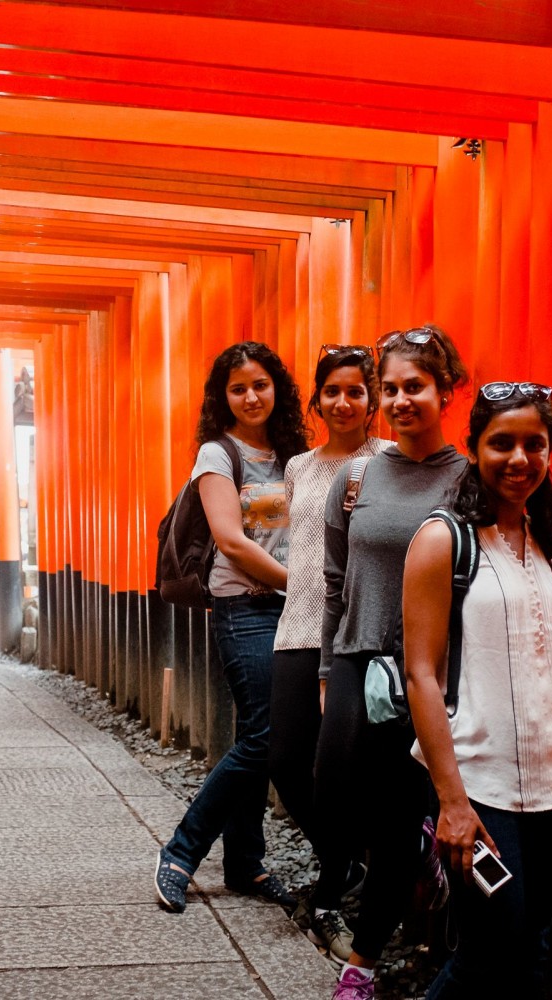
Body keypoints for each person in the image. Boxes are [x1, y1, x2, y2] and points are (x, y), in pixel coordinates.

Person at [401, 382, 552, 999]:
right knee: (489, 949)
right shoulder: (444, 541)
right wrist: (451, 802)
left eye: (535, 445)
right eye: (502, 443)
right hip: (480, 790)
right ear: (475, 449)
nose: (519, 459)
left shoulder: (548, 542)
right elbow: (421, 673)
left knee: (533, 948)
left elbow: (536, 644)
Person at [319, 325, 469, 999]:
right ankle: (421, 850)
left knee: (389, 818)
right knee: (335, 791)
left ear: (445, 392)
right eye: (393, 389)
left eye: (416, 387)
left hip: (429, 672)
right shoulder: (356, 477)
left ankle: (365, 961)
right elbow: (331, 578)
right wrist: (326, 668)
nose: (402, 400)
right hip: (359, 656)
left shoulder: (468, 480)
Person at [153, 341, 310, 914]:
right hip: (245, 605)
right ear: (224, 397)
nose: (250, 396)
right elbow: (231, 540)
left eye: (260, 384)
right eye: (238, 388)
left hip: (292, 606)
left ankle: (245, 863)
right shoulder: (218, 455)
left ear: (278, 389)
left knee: (256, 733)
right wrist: (300, 583)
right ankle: (181, 851)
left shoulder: (298, 453)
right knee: (266, 736)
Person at [267, 344, 383, 962]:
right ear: (317, 400)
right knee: (286, 761)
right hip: (297, 623)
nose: (344, 402)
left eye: (356, 391)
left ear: (372, 401)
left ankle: (340, 880)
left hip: (354, 631)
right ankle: (345, 866)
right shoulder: (299, 467)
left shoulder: (386, 461)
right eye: (332, 392)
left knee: (339, 770)